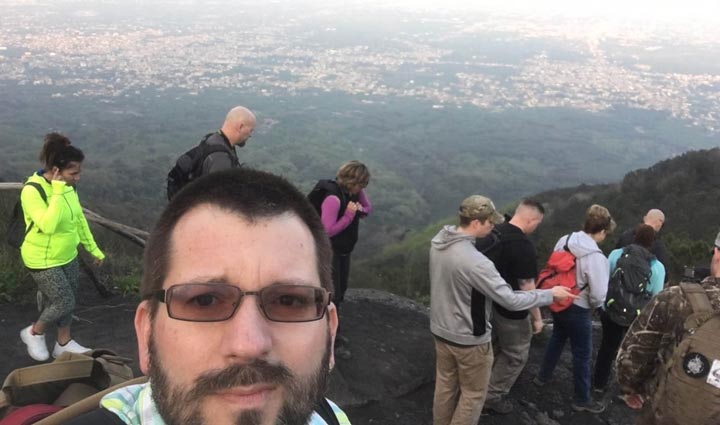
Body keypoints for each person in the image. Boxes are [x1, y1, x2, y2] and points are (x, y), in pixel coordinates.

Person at [67, 168, 350, 425]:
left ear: (330, 332)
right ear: (146, 332)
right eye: (205, 301)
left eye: (288, 301)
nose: (249, 345)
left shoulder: (331, 418)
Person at [429, 195, 575, 425]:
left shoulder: (439, 242)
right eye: (489, 222)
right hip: (468, 337)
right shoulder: (477, 262)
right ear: (476, 222)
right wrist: (549, 294)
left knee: (446, 384)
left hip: (440, 329)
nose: (492, 227)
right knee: (473, 395)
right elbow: (509, 299)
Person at [616, 230, 720, 425]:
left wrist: (633, 389)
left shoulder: (675, 299)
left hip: (665, 412)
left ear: (717, 253)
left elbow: (631, 359)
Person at [19, 132, 105, 362]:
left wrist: (93, 249)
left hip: (67, 254)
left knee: (66, 300)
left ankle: (63, 343)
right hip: (41, 258)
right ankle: (33, 332)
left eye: (79, 172)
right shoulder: (33, 190)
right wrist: (57, 190)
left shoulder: (69, 188)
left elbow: (78, 221)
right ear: (56, 171)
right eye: (73, 173)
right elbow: (48, 225)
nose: (78, 178)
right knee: (63, 300)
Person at [534, 204, 616, 414]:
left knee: (558, 337)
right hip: (578, 308)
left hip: (557, 299)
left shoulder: (566, 240)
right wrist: (598, 307)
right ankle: (582, 398)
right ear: (603, 231)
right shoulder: (597, 258)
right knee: (582, 353)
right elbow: (598, 294)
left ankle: (542, 377)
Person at [480, 199, 546, 415]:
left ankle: (479, 384)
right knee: (515, 354)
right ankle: (490, 397)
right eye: (537, 223)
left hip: (489, 303)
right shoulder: (522, 245)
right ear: (531, 219)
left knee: (496, 346)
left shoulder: (494, 232)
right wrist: (537, 317)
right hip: (512, 311)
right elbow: (527, 286)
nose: (536, 228)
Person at [592, 224, 665, 393]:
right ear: (652, 243)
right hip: (636, 318)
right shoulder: (657, 267)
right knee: (631, 354)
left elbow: (605, 280)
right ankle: (625, 390)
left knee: (607, 348)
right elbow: (656, 297)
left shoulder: (616, 254)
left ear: (634, 237)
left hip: (611, 310)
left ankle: (598, 385)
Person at [310, 160, 372, 358]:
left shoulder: (352, 193)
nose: (362, 189)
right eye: (360, 185)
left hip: (343, 251)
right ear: (352, 181)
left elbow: (368, 208)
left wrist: (359, 209)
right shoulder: (333, 199)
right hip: (329, 252)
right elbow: (326, 231)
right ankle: (327, 341)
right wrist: (348, 215)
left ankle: (334, 331)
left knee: (340, 291)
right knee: (331, 294)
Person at [199, 106, 256, 175]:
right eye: (250, 130)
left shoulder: (211, 140)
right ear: (240, 127)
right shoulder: (221, 159)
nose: (250, 135)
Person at [615, 209, 669, 280]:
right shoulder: (658, 246)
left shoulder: (625, 236)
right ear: (660, 222)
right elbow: (664, 276)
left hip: (619, 285)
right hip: (643, 288)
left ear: (645, 218)